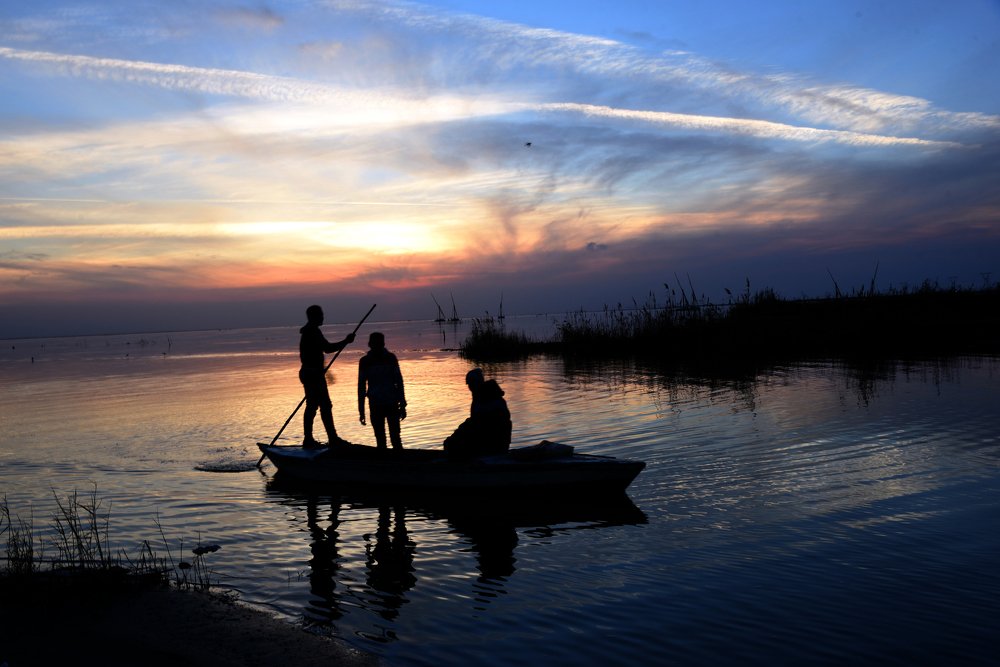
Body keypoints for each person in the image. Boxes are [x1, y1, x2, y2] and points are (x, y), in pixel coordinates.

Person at [299, 304, 355, 449]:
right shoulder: (312, 332)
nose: (323, 317)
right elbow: (328, 348)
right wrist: (346, 341)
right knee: (318, 406)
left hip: (312, 373)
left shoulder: (312, 331)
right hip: (312, 374)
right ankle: (325, 439)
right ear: (314, 317)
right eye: (321, 315)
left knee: (318, 406)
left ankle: (318, 438)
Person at [443, 368, 512, 460]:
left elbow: (481, 425)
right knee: (452, 443)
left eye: (473, 383)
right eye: (469, 384)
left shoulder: (491, 399)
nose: (470, 387)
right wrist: (455, 436)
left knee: (456, 446)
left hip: (494, 444)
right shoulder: (479, 398)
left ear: (479, 382)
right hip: (486, 440)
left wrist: (458, 438)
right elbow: (473, 422)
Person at [357, 332, 407, 450]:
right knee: (389, 438)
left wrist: (403, 404)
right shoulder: (368, 361)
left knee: (389, 438)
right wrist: (361, 410)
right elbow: (399, 382)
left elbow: (361, 387)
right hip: (380, 403)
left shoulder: (388, 359)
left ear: (369, 344)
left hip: (386, 403)